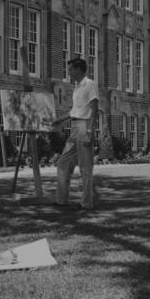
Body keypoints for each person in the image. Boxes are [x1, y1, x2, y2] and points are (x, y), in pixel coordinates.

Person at [52, 57, 99, 210]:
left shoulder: (90, 84)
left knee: (85, 168)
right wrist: (58, 120)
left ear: (79, 69)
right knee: (62, 162)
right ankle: (61, 200)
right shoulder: (77, 86)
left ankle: (86, 203)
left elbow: (94, 110)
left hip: (85, 126)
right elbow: (74, 110)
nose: (69, 72)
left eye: (71, 69)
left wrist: (90, 132)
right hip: (75, 127)